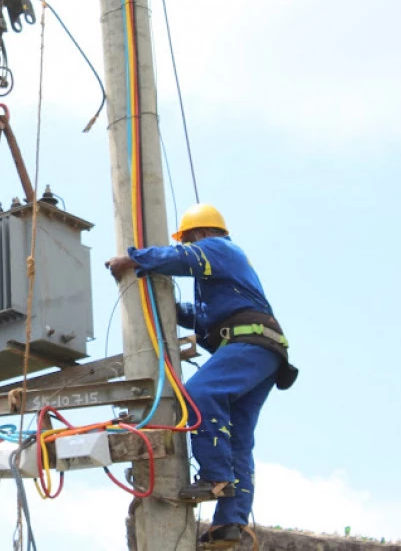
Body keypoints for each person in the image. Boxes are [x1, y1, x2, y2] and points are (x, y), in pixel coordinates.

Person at [105, 203, 296, 547]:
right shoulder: (227, 275)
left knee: (198, 395)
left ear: (203, 233)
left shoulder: (220, 249)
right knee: (236, 436)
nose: (192, 243)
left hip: (249, 343)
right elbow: (206, 315)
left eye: (191, 238)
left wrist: (134, 259)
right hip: (263, 351)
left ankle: (215, 477)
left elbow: (184, 258)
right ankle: (229, 523)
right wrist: (169, 309)